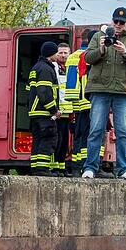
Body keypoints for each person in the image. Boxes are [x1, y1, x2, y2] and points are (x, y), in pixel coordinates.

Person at [81, 7, 126, 180]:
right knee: (96, 129)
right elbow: (87, 58)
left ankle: (124, 169)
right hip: (100, 88)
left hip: (123, 90)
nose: (118, 25)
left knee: (123, 131)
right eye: (115, 21)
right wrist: (101, 50)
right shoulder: (97, 36)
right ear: (111, 21)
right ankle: (90, 168)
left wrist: (125, 52)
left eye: (121, 23)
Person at [65, 30, 97, 177]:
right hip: (94, 104)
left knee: (79, 136)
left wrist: (73, 106)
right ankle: (92, 165)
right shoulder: (96, 55)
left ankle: (78, 167)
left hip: (79, 105)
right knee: (94, 136)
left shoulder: (73, 57)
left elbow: (71, 84)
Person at [27, 42, 60, 176]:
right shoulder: (46, 69)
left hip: (35, 112)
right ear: (51, 53)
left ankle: (35, 168)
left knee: (38, 140)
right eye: (57, 52)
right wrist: (54, 110)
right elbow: (44, 92)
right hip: (44, 112)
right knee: (49, 138)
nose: (58, 55)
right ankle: (42, 169)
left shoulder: (36, 67)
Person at [51, 42, 72, 176]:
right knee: (55, 140)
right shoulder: (53, 67)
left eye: (66, 53)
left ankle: (60, 167)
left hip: (67, 112)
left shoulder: (70, 67)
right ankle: (53, 167)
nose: (63, 55)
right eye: (60, 53)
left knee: (64, 142)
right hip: (56, 112)